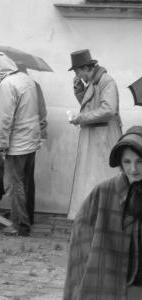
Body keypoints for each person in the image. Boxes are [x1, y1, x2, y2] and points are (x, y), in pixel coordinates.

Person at [63, 126, 142, 300]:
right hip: (112, 279)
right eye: (127, 162)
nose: (133, 169)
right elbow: (81, 236)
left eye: (139, 161)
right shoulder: (104, 191)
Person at [0, 52, 42, 236]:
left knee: (13, 184)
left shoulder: (6, 84)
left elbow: (4, 119)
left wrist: (2, 144)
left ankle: (20, 226)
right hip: (31, 139)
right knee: (26, 181)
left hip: (17, 142)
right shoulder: (26, 79)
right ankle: (26, 219)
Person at [68, 49, 122, 219]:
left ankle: (107, 215)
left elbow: (108, 110)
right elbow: (91, 105)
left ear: (86, 68)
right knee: (92, 176)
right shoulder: (94, 82)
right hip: (96, 136)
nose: (77, 74)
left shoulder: (106, 81)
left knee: (104, 175)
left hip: (104, 137)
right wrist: (79, 91)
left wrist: (80, 118)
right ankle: (93, 215)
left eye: (77, 71)